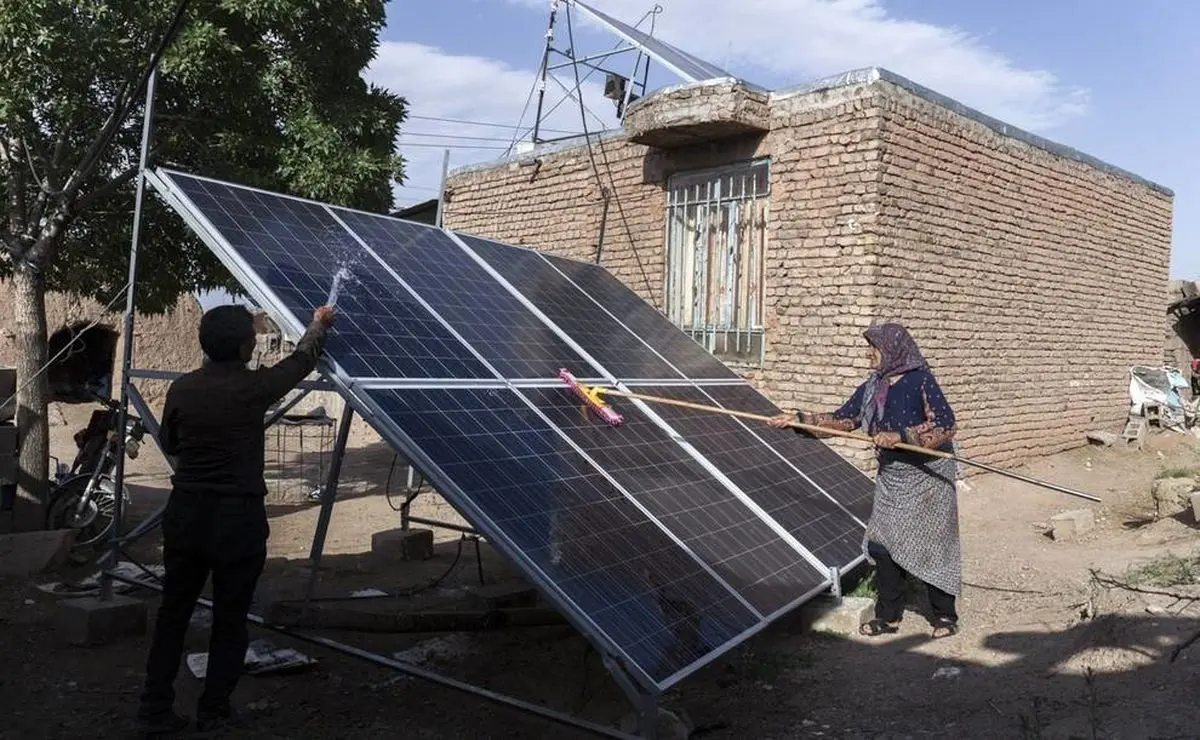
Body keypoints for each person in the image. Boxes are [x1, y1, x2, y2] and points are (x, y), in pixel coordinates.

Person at [137, 304, 335, 735]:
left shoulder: (183, 389)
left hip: (186, 514)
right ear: (245, 347)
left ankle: (154, 709)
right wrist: (318, 326)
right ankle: (214, 710)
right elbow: (301, 361)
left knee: (174, 612)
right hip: (237, 520)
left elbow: (171, 441)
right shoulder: (254, 387)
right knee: (230, 618)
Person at [768, 322, 961, 639]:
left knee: (933, 544)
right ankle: (888, 616)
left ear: (892, 351)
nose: (868, 354)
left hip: (928, 476)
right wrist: (798, 421)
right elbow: (844, 419)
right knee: (883, 545)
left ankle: (944, 616)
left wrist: (901, 436)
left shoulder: (921, 381)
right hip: (893, 477)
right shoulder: (874, 387)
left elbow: (945, 424)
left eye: (874, 348)